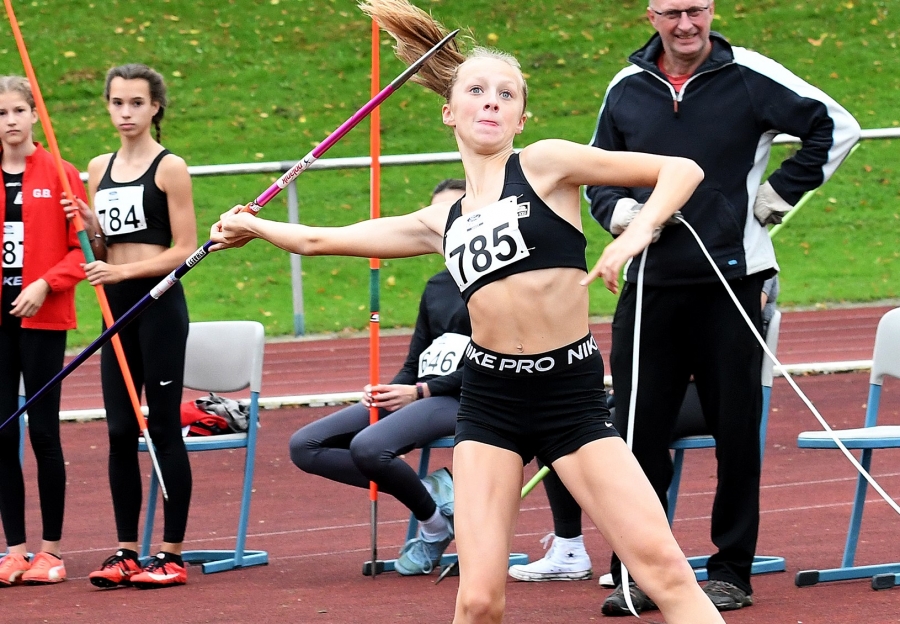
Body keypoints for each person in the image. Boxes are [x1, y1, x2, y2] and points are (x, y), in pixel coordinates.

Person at [211, 2, 725, 622]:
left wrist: (635, 233)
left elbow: (681, 170)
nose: (491, 103)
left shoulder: (545, 164)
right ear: (448, 111)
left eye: (506, 95)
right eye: (476, 91)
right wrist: (252, 226)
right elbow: (319, 239)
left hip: (569, 397)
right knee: (478, 600)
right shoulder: (441, 221)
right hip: (490, 401)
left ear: (521, 117)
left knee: (663, 571)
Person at [584, 1, 860, 615]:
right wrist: (622, 215)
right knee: (635, 438)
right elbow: (597, 172)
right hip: (651, 287)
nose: (686, 24)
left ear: (711, 10)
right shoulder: (626, 88)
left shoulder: (751, 75)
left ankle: (731, 571)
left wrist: (778, 194)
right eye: (672, 12)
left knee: (736, 436)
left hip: (733, 283)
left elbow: (837, 126)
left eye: (697, 9)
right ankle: (637, 573)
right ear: (651, 15)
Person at [508, 278, 779, 586]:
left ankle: (648, 557)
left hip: (714, 390)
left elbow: (724, 344)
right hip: (668, 383)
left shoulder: (751, 268)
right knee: (564, 418)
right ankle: (569, 546)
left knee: (598, 426)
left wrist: (663, 370)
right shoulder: (657, 273)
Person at [289, 179, 468, 576]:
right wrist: (392, 388)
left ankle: (431, 526)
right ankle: (433, 498)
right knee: (306, 445)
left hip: (464, 397)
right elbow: (416, 358)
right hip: (422, 393)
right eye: (434, 215)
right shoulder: (437, 286)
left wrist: (421, 391)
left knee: (369, 447)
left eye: (452, 213)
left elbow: (493, 359)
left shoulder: (497, 282)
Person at [64, 63, 198, 589]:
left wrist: (123, 271)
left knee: (162, 426)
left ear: (155, 107)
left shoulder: (170, 168)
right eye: (117, 103)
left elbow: (185, 249)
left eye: (136, 103)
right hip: (115, 308)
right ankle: (125, 550)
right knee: (120, 430)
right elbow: (104, 248)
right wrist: (91, 230)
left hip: (158, 305)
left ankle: (171, 554)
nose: (126, 113)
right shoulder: (98, 168)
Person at [0, 76, 87, 586]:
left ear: (34, 114)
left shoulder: (60, 173)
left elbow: (82, 251)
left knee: (44, 432)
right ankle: (14, 550)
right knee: (2, 432)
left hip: (41, 316)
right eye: (0, 113)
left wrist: (44, 283)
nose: (9, 121)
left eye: (17, 110)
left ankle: (50, 551)